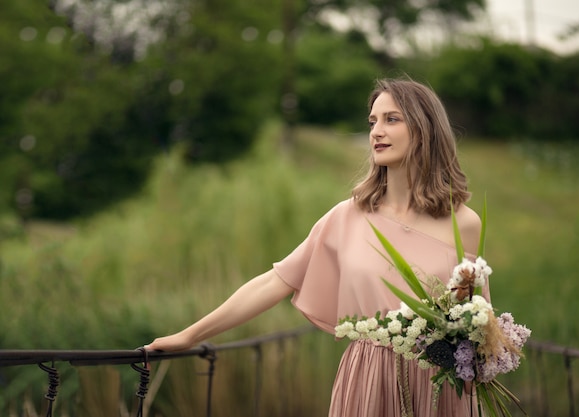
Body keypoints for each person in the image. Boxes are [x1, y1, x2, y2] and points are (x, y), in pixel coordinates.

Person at [146, 77, 488, 417]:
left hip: (440, 388)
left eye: (391, 119)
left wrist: (476, 360)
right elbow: (273, 282)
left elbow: (478, 318)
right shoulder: (348, 217)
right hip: (367, 381)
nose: (376, 132)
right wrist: (189, 336)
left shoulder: (464, 223)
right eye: (372, 122)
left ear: (425, 129)